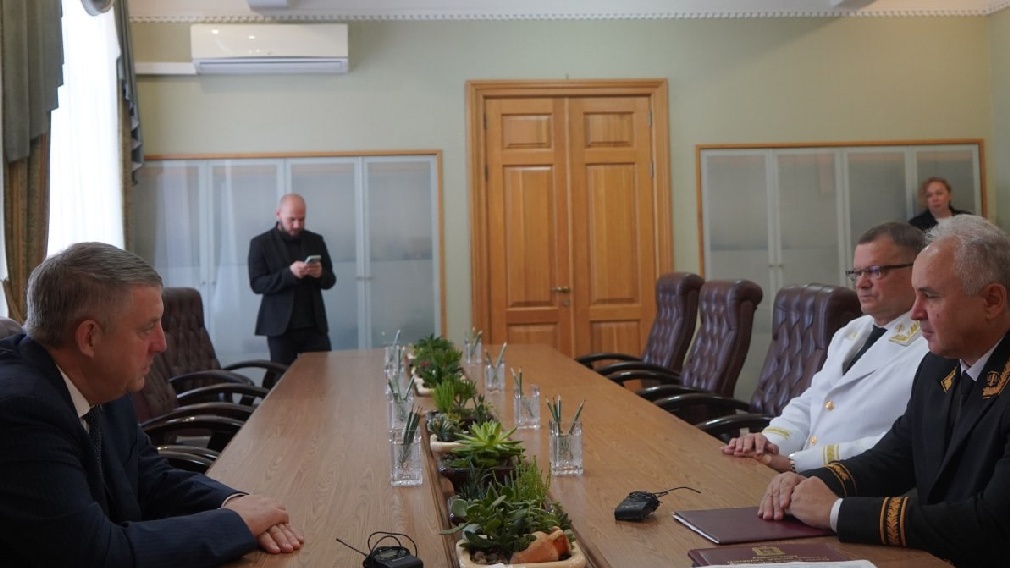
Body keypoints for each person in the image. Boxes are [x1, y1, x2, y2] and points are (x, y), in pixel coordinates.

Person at [0, 242, 303, 567]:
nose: (161, 344)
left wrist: (233, 503)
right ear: (89, 337)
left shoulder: (101, 378)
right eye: (147, 329)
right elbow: (97, 556)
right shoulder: (21, 412)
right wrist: (236, 524)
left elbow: (150, 477)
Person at [758, 215, 1010, 567]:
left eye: (930, 296)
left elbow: (991, 524)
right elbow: (894, 457)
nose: (916, 312)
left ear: (992, 301)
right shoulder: (939, 366)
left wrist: (836, 512)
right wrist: (806, 482)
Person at [723, 222, 929, 472]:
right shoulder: (852, 332)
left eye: (876, 271)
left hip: (859, 482)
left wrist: (798, 463)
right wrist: (769, 443)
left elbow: (903, 441)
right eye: (857, 272)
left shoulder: (930, 346)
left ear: (918, 270)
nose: (862, 283)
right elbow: (811, 402)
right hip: (804, 475)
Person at [249, 193, 336, 365]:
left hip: (314, 326)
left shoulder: (315, 240)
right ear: (278, 214)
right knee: (284, 377)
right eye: (292, 219)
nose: (297, 225)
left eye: (302, 219)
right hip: (280, 328)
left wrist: (320, 274)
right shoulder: (261, 243)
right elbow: (257, 284)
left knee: (321, 375)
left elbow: (330, 280)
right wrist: (289, 274)